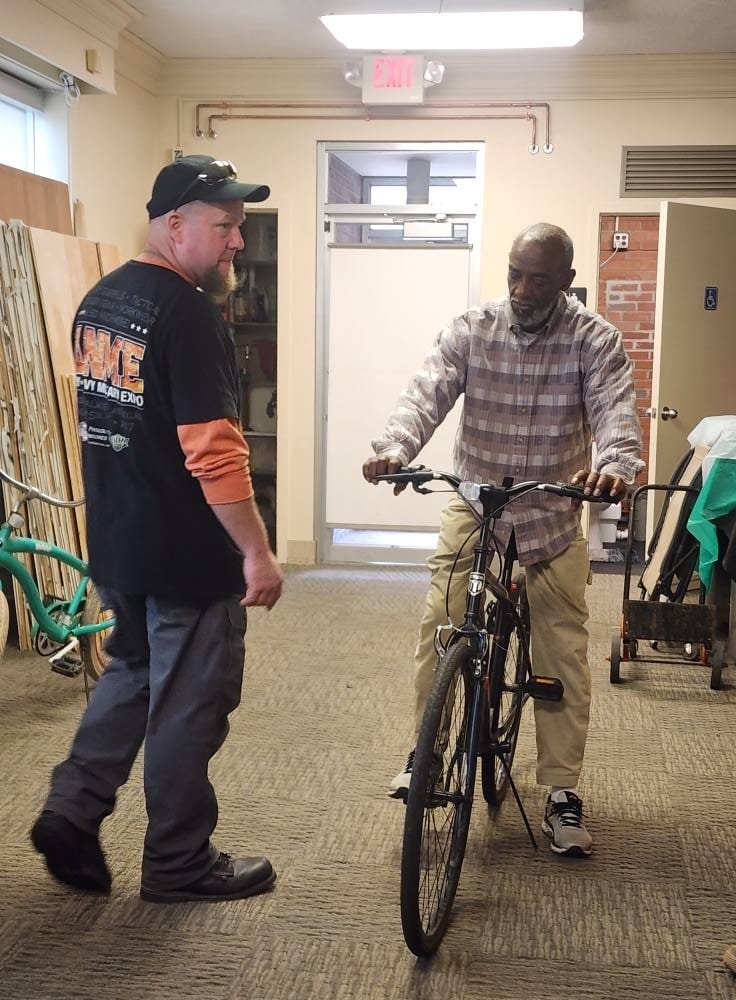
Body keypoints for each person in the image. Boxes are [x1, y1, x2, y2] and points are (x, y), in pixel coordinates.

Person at [31, 155, 283, 902]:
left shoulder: (101, 301)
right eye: (225, 226)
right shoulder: (189, 315)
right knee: (188, 704)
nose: (237, 242)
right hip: (185, 555)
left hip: (118, 541)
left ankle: (71, 811)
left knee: (134, 674)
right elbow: (213, 451)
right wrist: (256, 553)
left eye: (239, 227)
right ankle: (179, 861)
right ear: (175, 224)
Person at [363, 223, 643, 858]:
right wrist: (395, 448)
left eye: (538, 280)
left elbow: (615, 416)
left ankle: (562, 791)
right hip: (478, 504)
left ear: (566, 281)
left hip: (551, 513)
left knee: (561, 649)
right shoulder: (472, 329)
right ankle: (427, 754)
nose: (521, 290)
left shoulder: (594, 340)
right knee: (441, 621)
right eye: (515, 274)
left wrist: (615, 466)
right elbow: (425, 393)